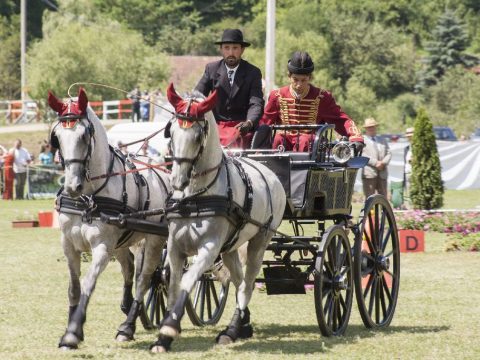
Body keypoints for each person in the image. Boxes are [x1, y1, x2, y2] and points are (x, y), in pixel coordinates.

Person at [260, 51, 364, 152]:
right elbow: (265, 122)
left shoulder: (322, 97)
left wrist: (355, 137)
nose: (299, 84)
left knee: (304, 140)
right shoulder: (277, 95)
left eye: (303, 80)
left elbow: (340, 119)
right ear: (289, 76)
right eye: (295, 79)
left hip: (311, 149)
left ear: (310, 78)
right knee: (278, 138)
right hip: (282, 146)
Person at [195, 28, 264, 148]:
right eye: (227, 48)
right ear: (221, 49)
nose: (231, 52)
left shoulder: (253, 72)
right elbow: (197, 96)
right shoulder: (211, 69)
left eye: (235, 48)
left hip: (242, 127)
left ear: (242, 49)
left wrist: (249, 123)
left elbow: (256, 103)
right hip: (215, 126)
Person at [361, 118, 391, 198]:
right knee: (369, 198)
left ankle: (384, 211)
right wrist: (376, 163)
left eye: (373, 126)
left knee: (384, 198)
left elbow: (388, 153)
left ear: (376, 127)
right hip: (369, 174)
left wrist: (383, 163)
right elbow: (362, 154)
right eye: (369, 127)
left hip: (382, 172)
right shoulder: (362, 140)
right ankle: (370, 211)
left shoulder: (382, 139)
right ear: (365, 128)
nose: (371, 128)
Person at [403, 127, 414, 198]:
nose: (409, 138)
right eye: (408, 136)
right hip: (407, 173)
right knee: (408, 195)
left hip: (415, 173)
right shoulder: (406, 148)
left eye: (411, 136)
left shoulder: (418, 147)